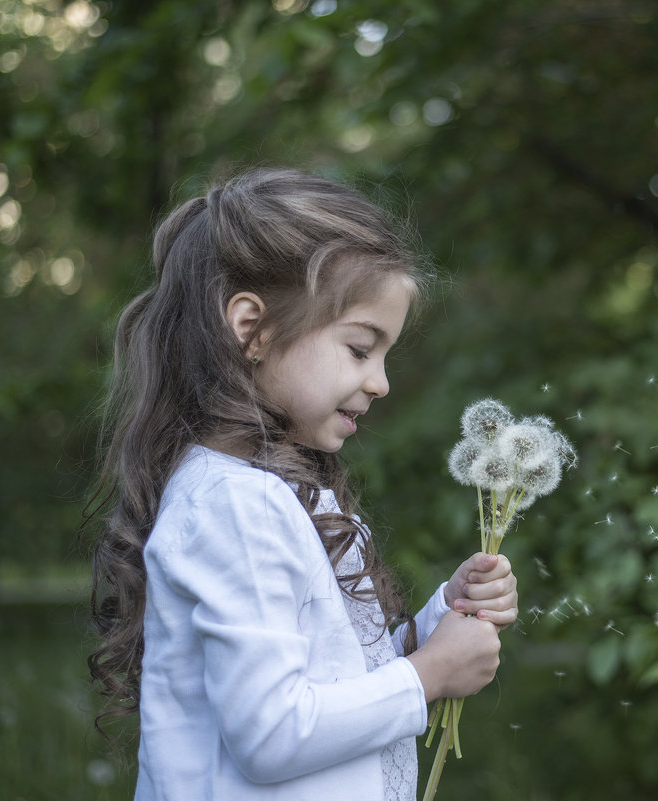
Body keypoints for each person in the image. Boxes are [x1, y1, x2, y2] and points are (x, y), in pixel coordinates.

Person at [87, 167, 517, 801]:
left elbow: (335, 671)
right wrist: (429, 675)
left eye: (385, 355)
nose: (381, 382)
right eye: (360, 348)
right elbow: (272, 734)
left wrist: (437, 621)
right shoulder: (234, 504)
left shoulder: (281, 491)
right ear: (252, 330)